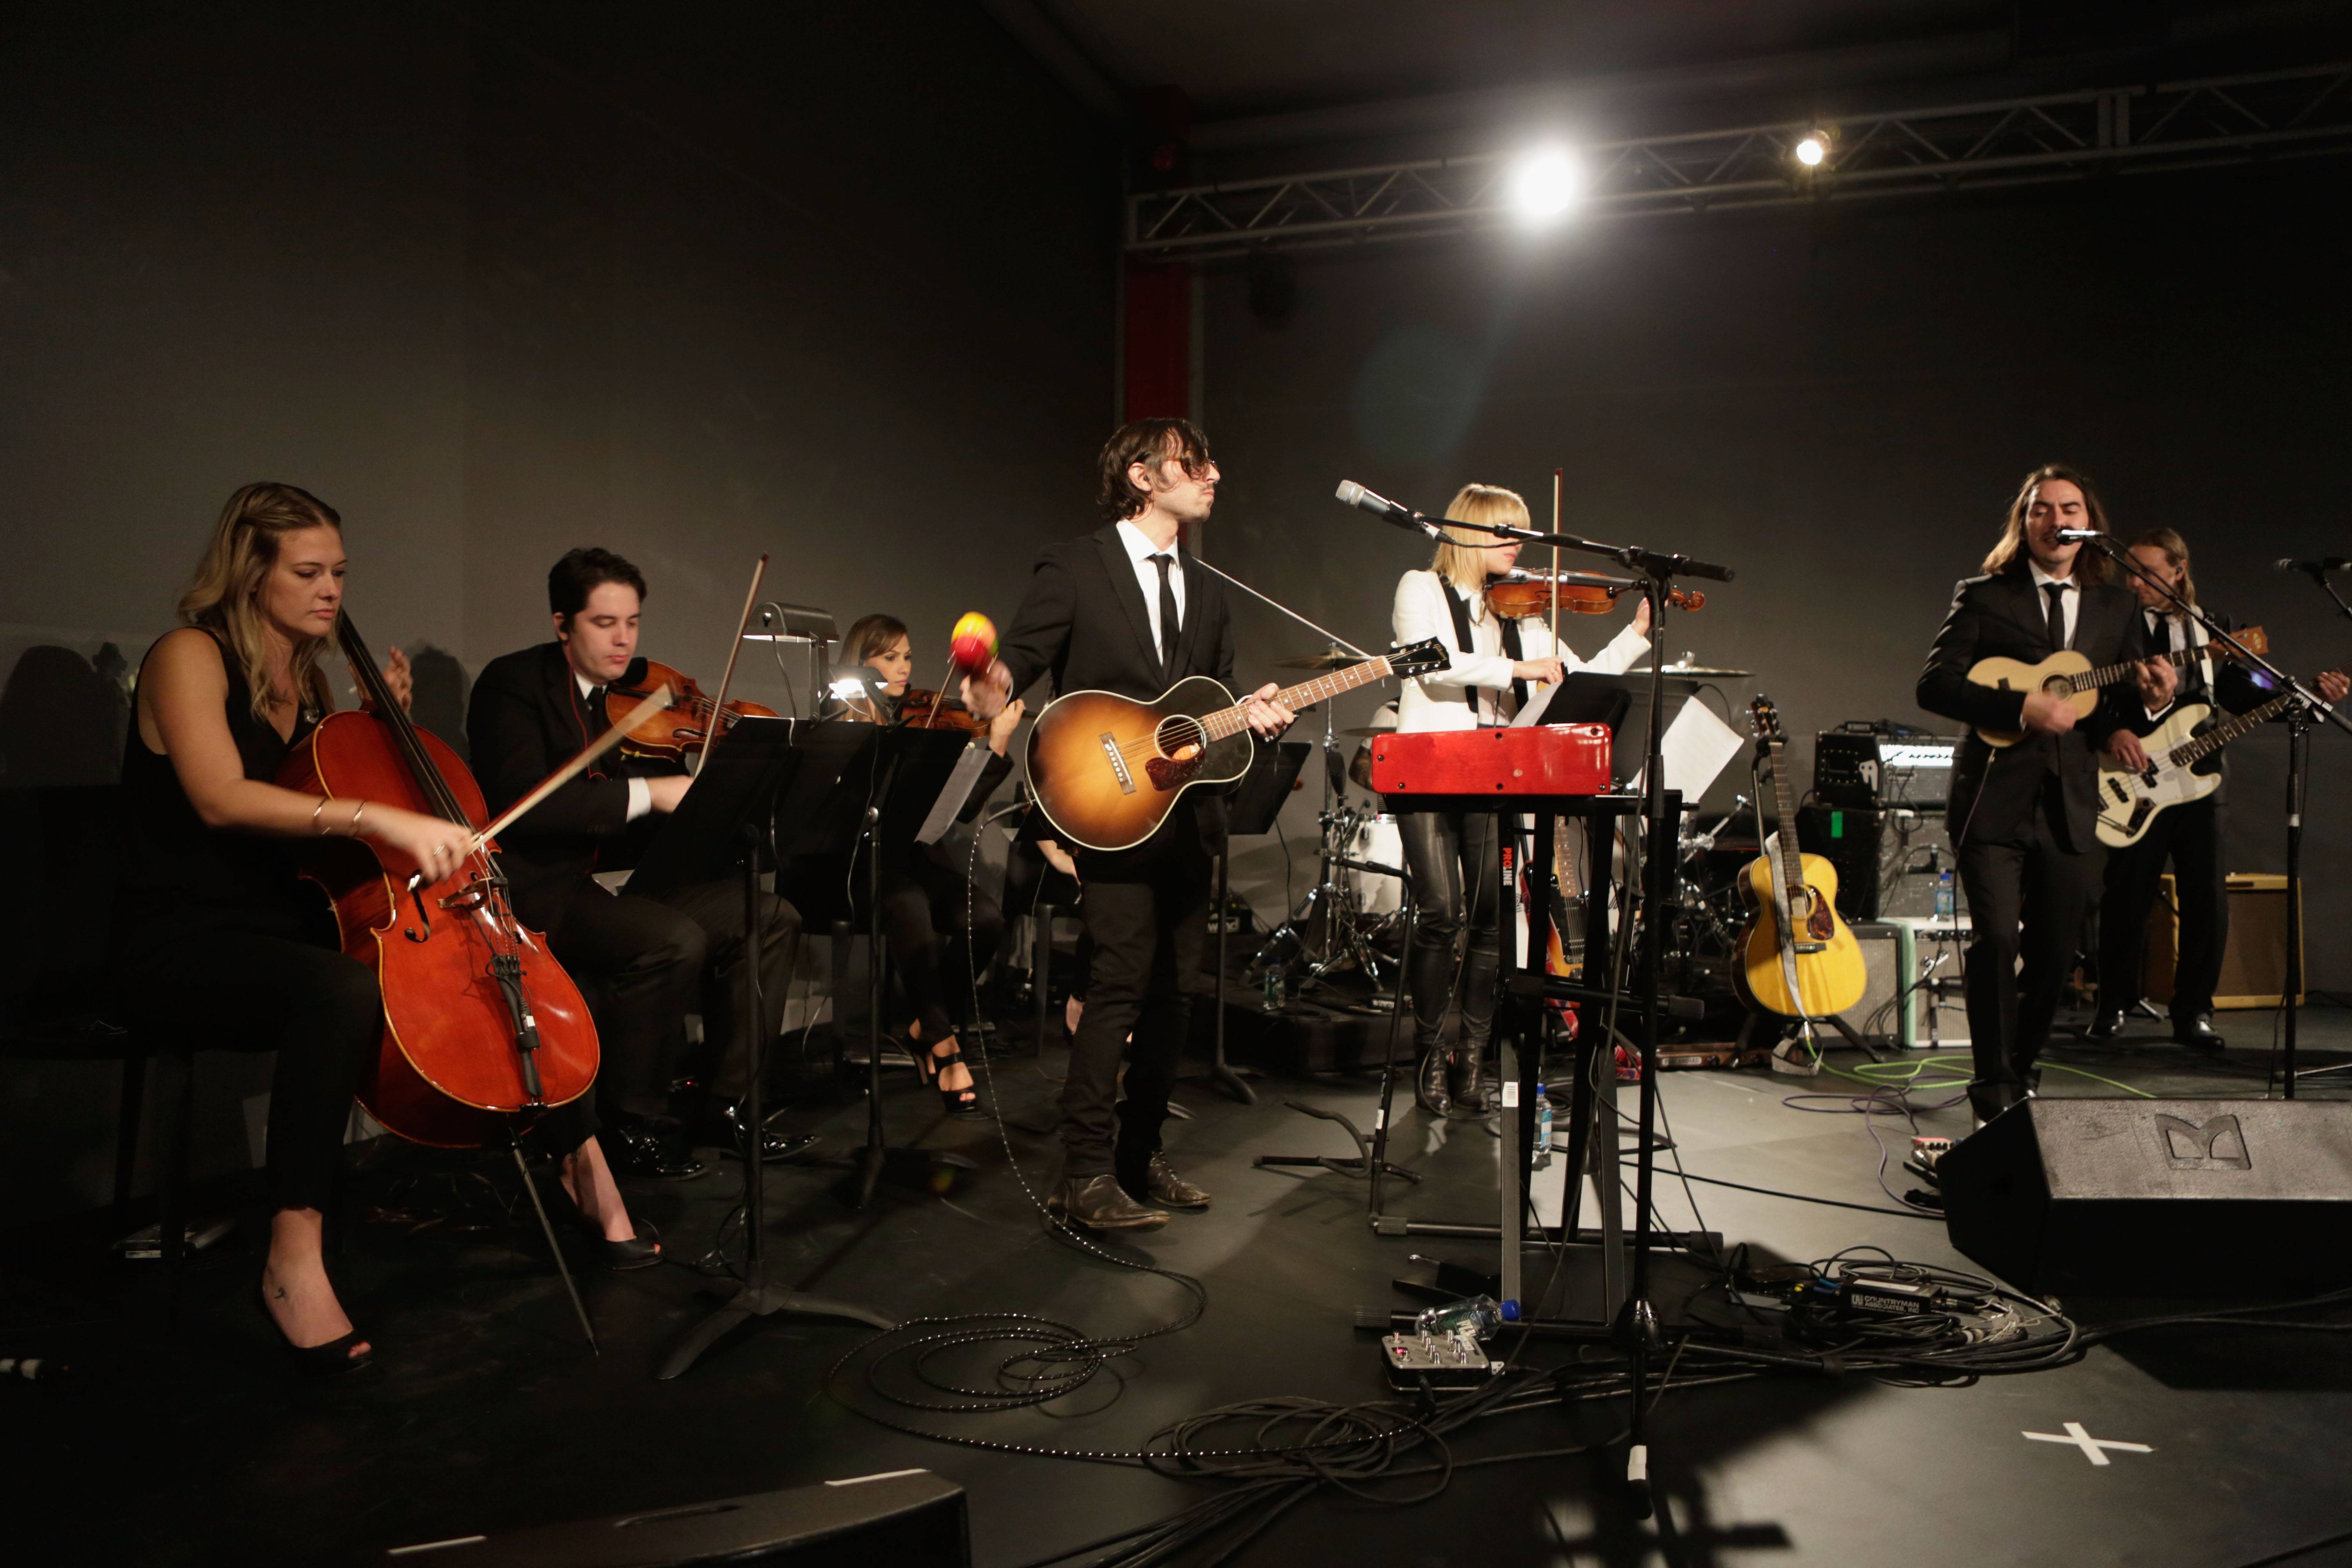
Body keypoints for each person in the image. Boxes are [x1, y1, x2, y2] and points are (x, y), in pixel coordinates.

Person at [117, 484, 656, 1376]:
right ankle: (292, 1258)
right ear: (250, 572)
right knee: (337, 988)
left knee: (495, 959)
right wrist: (378, 814)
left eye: (338, 571)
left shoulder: (307, 680)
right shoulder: (190, 655)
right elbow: (221, 798)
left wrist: (373, 729)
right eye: (307, 572)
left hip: (284, 917)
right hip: (185, 934)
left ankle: (582, 1160)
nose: (331, 590)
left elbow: (312, 788)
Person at [962, 418, 1295, 1230]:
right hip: (1108, 809)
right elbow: (1023, 660)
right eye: (1194, 463)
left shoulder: (1209, 589)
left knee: (1175, 995)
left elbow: (1210, 700)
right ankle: (1083, 1174)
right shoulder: (1076, 566)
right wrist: (993, 682)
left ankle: (1139, 1157)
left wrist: (1253, 716)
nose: (1213, 475)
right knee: (1116, 984)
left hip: (1186, 815)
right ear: (1143, 477)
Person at [466, 548, 806, 1178]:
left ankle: (728, 1107)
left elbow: (635, 815)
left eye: (632, 622)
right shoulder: (513, 686)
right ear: (562, 624)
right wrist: (651, 793)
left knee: (769, 916)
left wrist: (714, 797)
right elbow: (524, 807)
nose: (623, 639)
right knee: (671, 941)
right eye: (604, 623)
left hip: (616, 884)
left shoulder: (623, 700)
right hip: (540, 891)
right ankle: (629, 1123)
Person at [1917, 465, 2174, 1126]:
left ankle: (2020, 1070)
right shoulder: (1984, 596)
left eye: (2069, 509)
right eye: (2041, 509)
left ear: (2089, 524)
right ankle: (1993, 1087)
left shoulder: (2118, 606)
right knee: (1998, 941)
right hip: (1992, 799)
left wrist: (2147, 705)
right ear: (2024, 523)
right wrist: (2019, 706)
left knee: (2058, 954)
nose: (2055, 520)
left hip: (2071, 803)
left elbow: (2121, 702)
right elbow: (1934, 685)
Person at [1389, 484, 1651, 1117]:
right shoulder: (1420, 588)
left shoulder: (1524, 614)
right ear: (1469, 531)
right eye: (1506, 531)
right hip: (1428, 767)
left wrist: (1637, 633)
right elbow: (1430, 664)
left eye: (1523, 532)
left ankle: (1472, 1061)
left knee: (1490, 920)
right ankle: (1429, 1056)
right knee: (1440, 913)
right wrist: (1516, 672)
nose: (1519, 544)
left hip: (1494, 773)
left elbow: (1578, 679)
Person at [2088, 529, 2350, 1049]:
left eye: (2147, 572)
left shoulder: (2214, 626)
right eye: (2130, 572)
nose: (2135, 583)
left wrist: (2308, 697)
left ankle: (2194, 1012)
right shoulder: (2114, 625)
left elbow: (2243, 693)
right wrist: (2110, 732)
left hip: (2201, 776)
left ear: (2179, 569)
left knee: (2206, 899)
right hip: (2135, 775)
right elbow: (2091, 696)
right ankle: (2112, 1003)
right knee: (2127, 896)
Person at [833, 612, 1022, 1114]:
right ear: (861, 662)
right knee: (910, 903)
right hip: (858, 865)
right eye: (890, 657)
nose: (904, 668)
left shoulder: (923, 719)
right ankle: (944, 1043)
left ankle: (924, 1027)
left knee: (986, 919)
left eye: (909, 657)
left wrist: (997, 742)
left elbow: (961, 809)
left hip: (911, 857)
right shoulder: (841, 721)